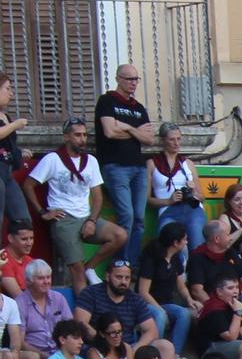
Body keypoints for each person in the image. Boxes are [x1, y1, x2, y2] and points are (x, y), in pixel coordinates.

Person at [28, 116, 126, 292]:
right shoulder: (53, 159)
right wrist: (43, 212)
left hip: (86, 217)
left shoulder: (91, 161)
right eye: (77, 135)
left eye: (85, 135)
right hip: (64, 219)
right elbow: (28, 185)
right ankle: (83, 316)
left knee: (120, 235)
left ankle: (91, 267)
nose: (82, 139)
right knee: (77, 271)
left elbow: (97, 197)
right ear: (66, 137)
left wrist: (92, 221)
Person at [95, 65, 154, 266]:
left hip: (138, 167)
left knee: (139, 218)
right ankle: (120, 263)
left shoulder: (138, 108)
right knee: (126, 216)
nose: (134, 83)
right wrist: (137, 132)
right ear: (118, 78)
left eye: (136, 79)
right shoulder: (107, 101)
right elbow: (110, 132)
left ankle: (132, 262)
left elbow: (149, 139)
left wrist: (128, 127)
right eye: (129, 79)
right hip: (115, 166)